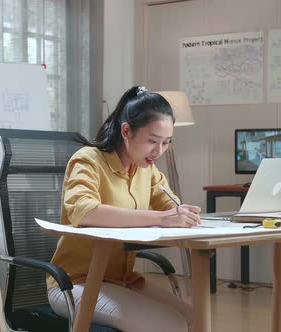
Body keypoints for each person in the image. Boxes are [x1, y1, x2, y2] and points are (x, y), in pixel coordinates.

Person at [47, 86, 201, 331]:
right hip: (75, 284)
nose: (158, 151)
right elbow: (84, 211)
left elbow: (170, 206)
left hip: (124, 281)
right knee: (169, 325)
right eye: (152, 141)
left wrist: (183, 214)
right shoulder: (88, 160)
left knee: (195, 319)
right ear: (126, 131)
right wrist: (162, 218)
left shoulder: (147, 169)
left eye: (166, 143)